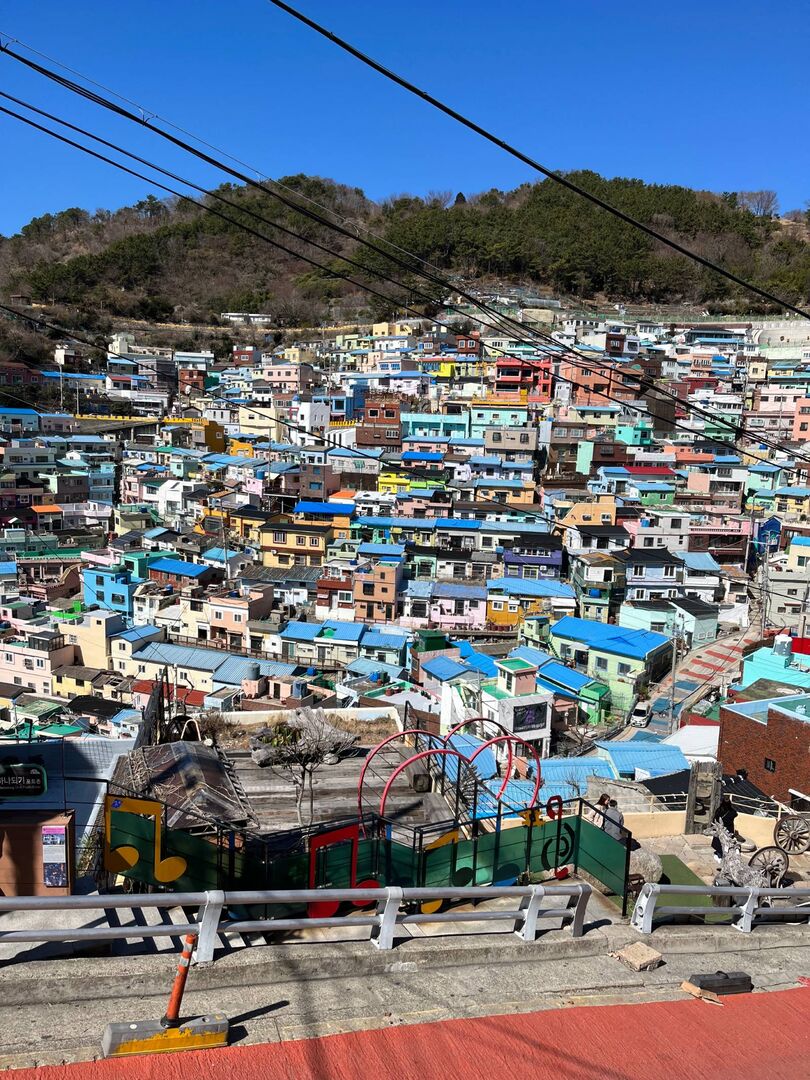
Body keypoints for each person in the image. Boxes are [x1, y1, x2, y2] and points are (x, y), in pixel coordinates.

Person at [711, 794, 738, 861]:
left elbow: (715, 818)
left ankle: (719, 854)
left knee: (718, 843)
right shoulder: (732, 812)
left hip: (720, 830)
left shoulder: (719, 810)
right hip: (728, 831)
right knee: (726, 844)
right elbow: (736, 814)